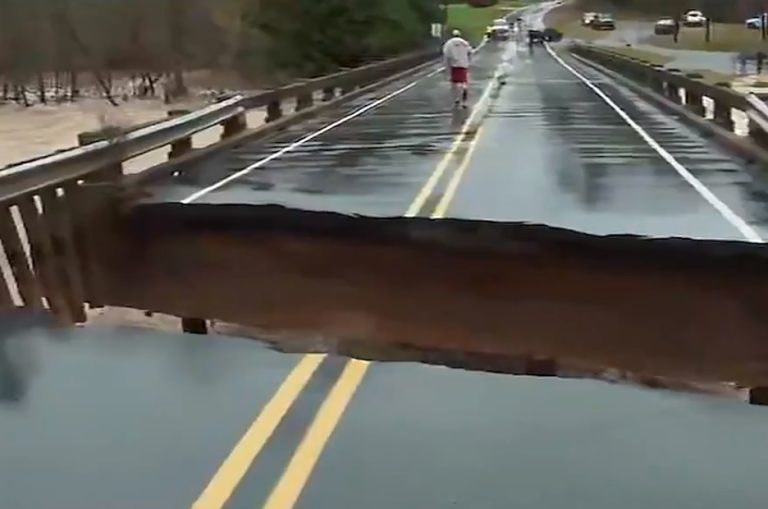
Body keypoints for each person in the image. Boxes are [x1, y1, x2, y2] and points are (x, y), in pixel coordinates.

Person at [442, 29, 472, 108]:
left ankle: (457, 98)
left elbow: (446, 55)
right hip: (463, 65)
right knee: (463, 82)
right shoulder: (464, 43)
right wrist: (468, 60)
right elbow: (470, 51)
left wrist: (446, 66)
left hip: (454, 66)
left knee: (454, 83)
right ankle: (464, 100)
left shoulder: (448, 43)